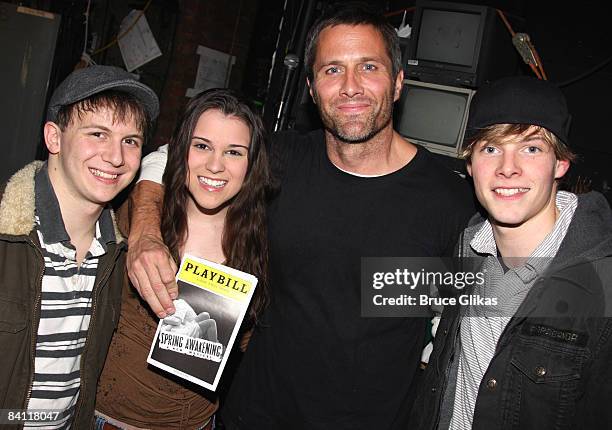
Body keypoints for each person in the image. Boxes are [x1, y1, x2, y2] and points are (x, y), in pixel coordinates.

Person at [124, 3, 475, 428]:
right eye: (331, 70)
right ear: (311, 88)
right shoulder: (281, 159)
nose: (350, 87)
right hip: (250, 416)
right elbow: (176, 158)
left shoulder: (451, 199)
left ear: (399, 83)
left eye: (368, 67)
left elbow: (475, 321)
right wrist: (144, 230)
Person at [410, 76, 612, 429]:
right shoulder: (465, 249)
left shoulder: (602, 287)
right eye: (490, 148)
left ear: (560, 164)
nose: (508, 168)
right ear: (470, 164)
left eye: (531, 148)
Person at [95, 88, 271, 430]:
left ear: (252, 164)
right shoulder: (134, 215)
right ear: (180, 149)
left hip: (196, 423)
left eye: (234, 152)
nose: (215, 165)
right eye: (202, 146)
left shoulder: (260, 243)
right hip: (105, 419)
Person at [0, 65, 158, 429]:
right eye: (98, 134)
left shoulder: (118, 257)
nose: (115, 157)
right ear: (54, 138)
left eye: (130, 140)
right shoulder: (9, 237)